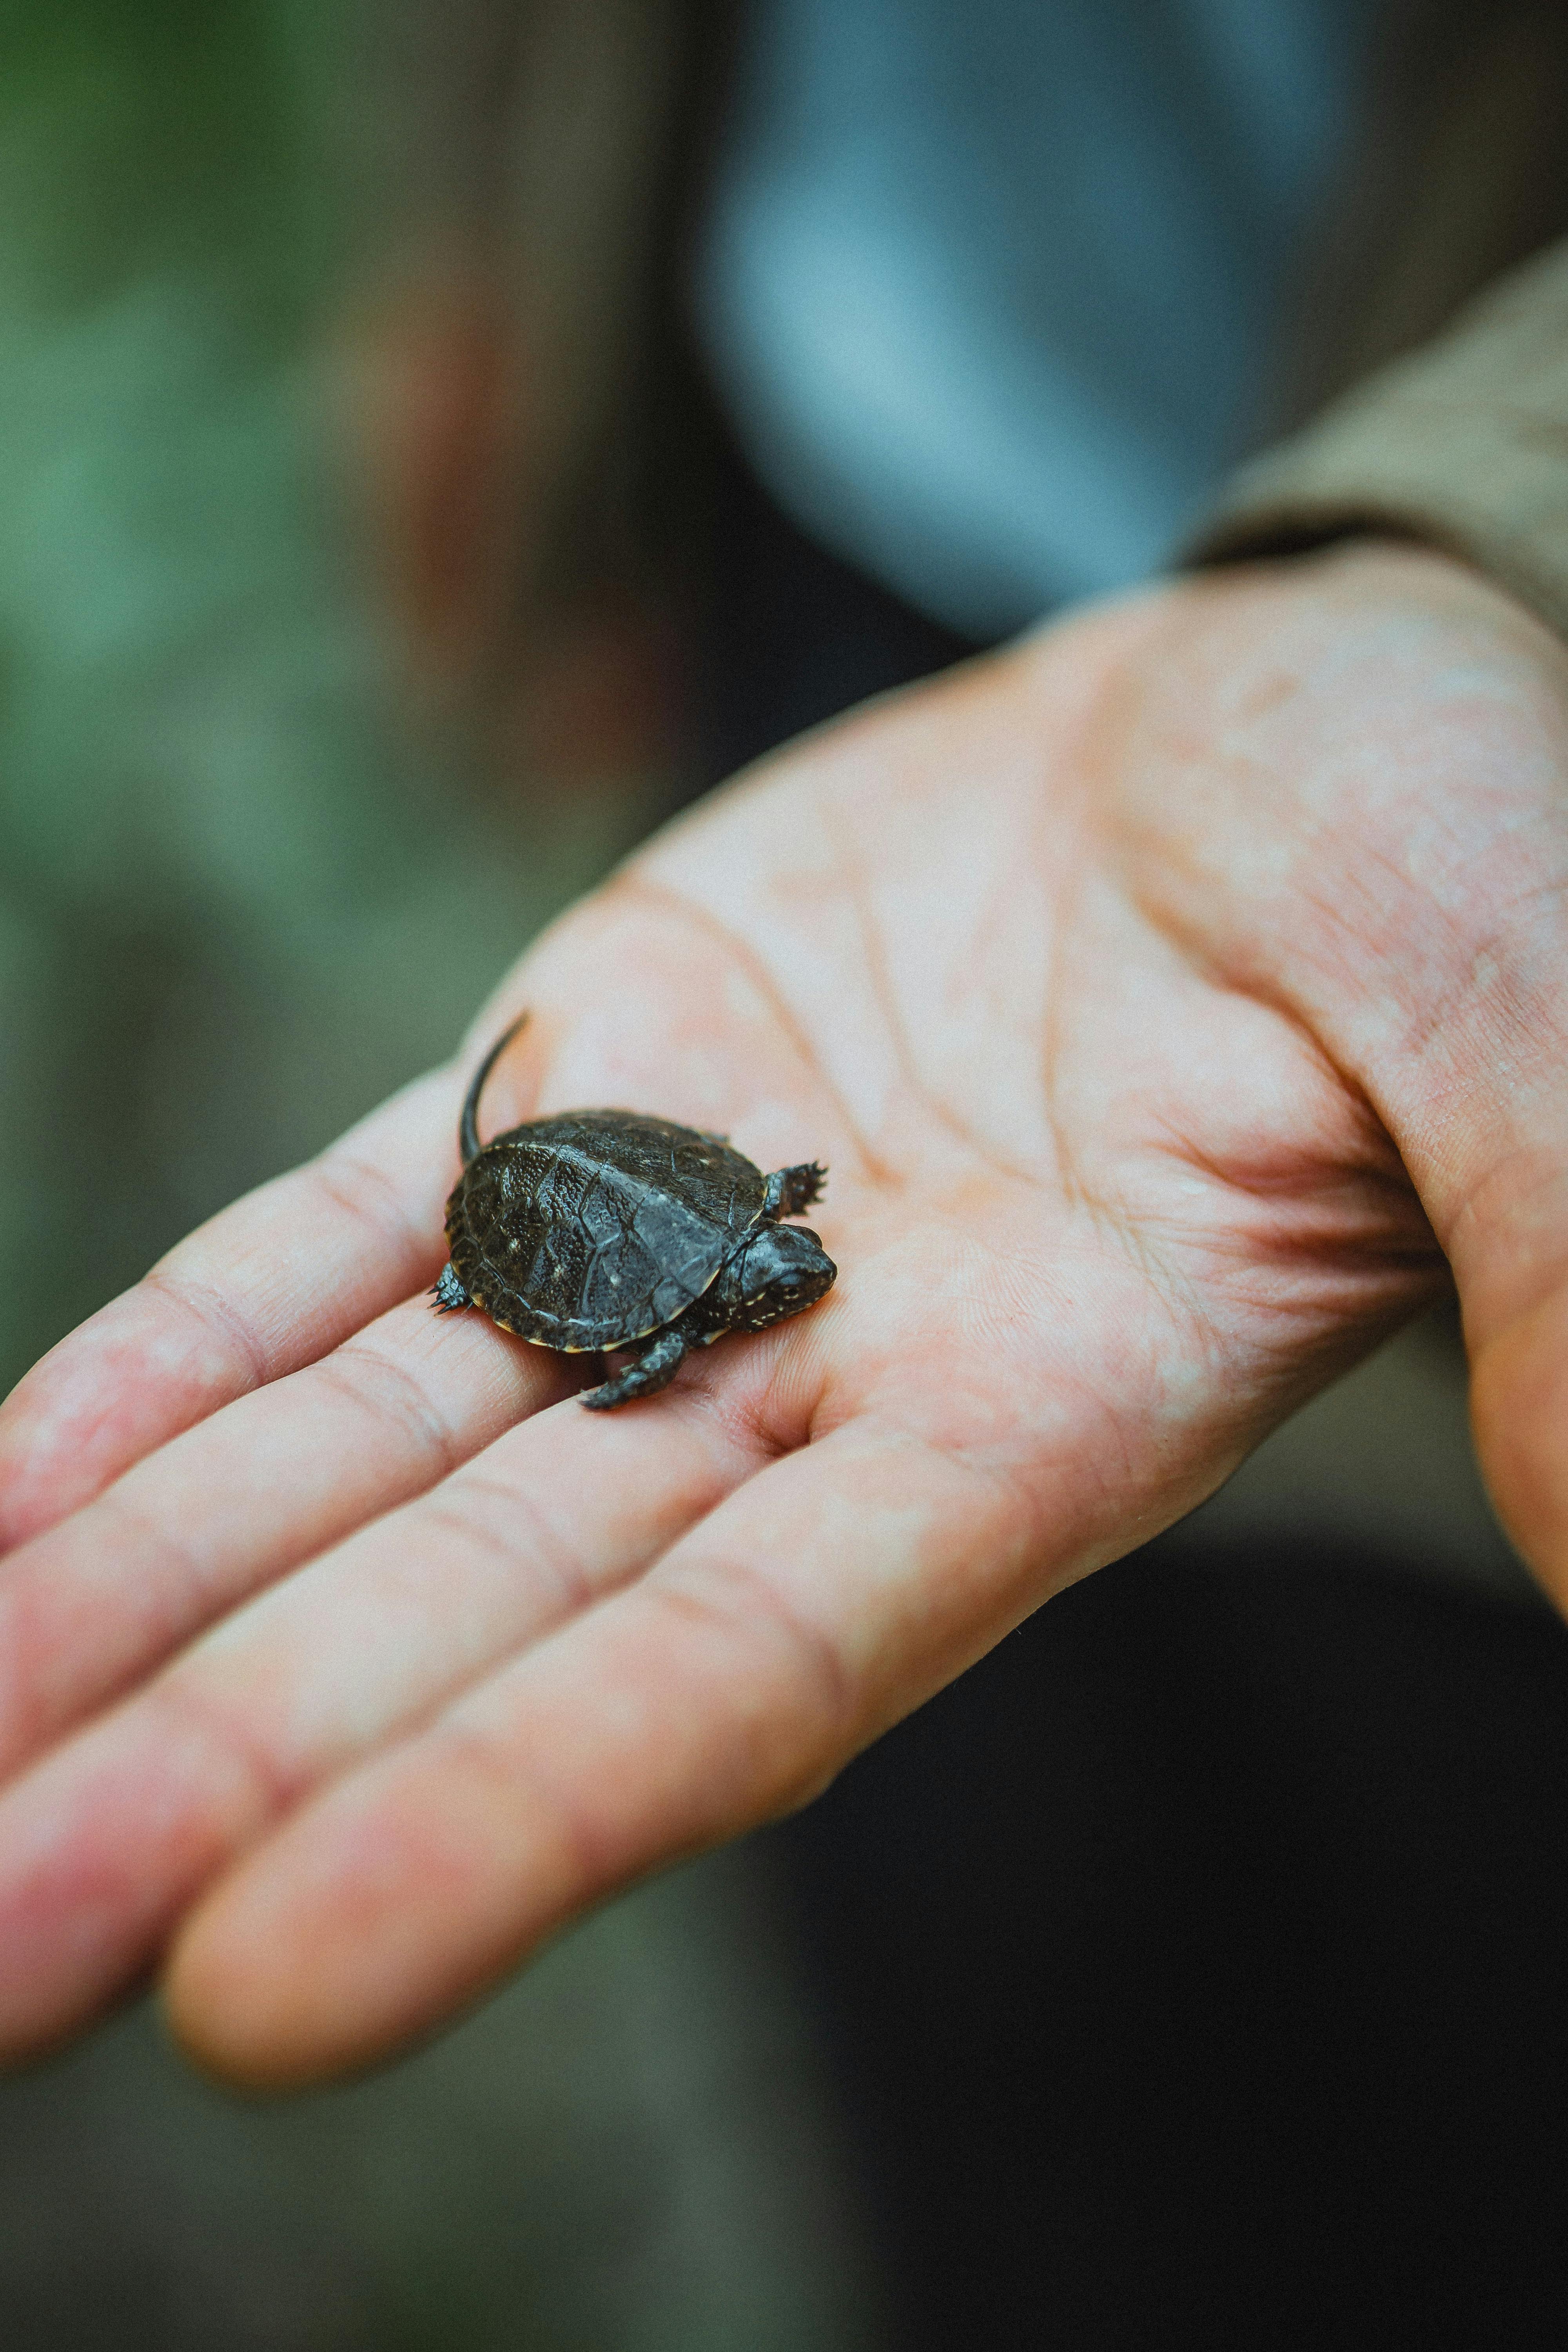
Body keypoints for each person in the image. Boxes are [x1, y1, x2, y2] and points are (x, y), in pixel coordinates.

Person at [2, 0, 1568, 2297]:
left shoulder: (752, 1258)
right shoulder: (689, 1269)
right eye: (776, 1284)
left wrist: (1501, 551)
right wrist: (491, 224)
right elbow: (622, 1303)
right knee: (984, 1954)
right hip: (810, 426)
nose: (792, 1292)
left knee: (1418, 1909)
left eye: (775, 1285)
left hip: (1297, 546)